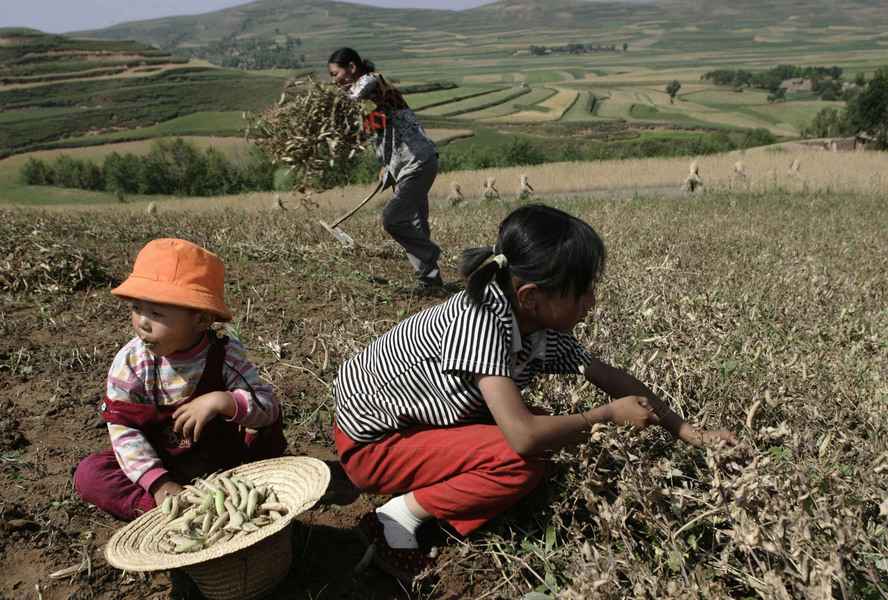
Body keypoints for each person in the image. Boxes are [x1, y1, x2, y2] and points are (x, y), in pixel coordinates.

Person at [332, 204, 737, 580]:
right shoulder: (480, 321)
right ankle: (396, 517)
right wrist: (604, 416)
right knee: (526, 454)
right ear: (532, 297)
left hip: (412, 429)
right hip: (373, 445)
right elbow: (524, 436)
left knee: (547, 427)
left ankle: (429, 491)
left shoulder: (533, 325)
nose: (591, 303)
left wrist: (688, 432)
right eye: (581, 292)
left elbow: (610, 377)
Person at [74, 238, 286, 521]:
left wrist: (223, 401)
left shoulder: (224, 355)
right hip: (163, 463)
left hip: (223, 459)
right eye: (137, 308)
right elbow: (124, 431)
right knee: (90, 474)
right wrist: (159, 483)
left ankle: (254, 487)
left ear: (201, 320)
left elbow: (267, 405)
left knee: (266, 424)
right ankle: (170, 511)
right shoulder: (130, 364)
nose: (142, 322)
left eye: (157, 313)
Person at [328, 47, 444, 293]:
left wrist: (333, 98)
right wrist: (385, 166)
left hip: (418, 161)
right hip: (403, 166)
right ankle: (430, 280)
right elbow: (383, 135)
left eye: (335, 73)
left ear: (351, 67)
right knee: (416, 222)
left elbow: (356, 93)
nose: (333, 80)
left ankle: (431, 253)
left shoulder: (374, 81)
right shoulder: (373, 107)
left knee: (393, 218)